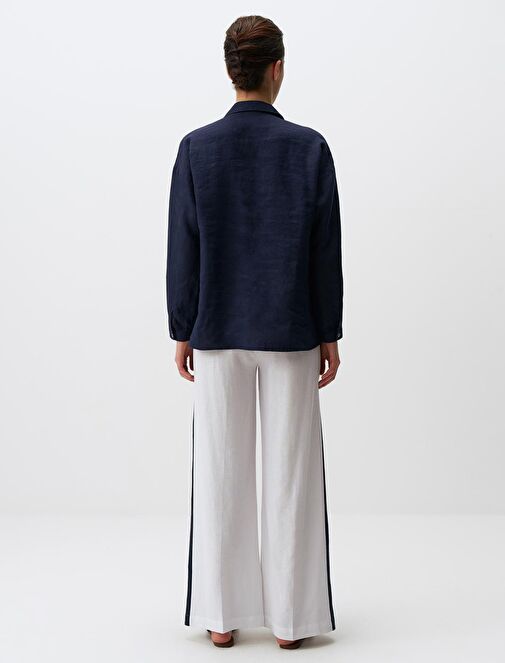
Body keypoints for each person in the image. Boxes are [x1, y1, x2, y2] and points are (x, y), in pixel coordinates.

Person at [166, 15, 343, 650]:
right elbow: (325, 251)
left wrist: (182, 326)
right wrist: (329, 330)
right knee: (292, 474)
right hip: (291, 329)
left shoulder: (196, 148)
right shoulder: (309, 148)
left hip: (216, 329)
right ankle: (292, 622)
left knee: (220, 473)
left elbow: (183, 245)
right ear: (277, 69)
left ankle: (222, 617)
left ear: (230, 70)